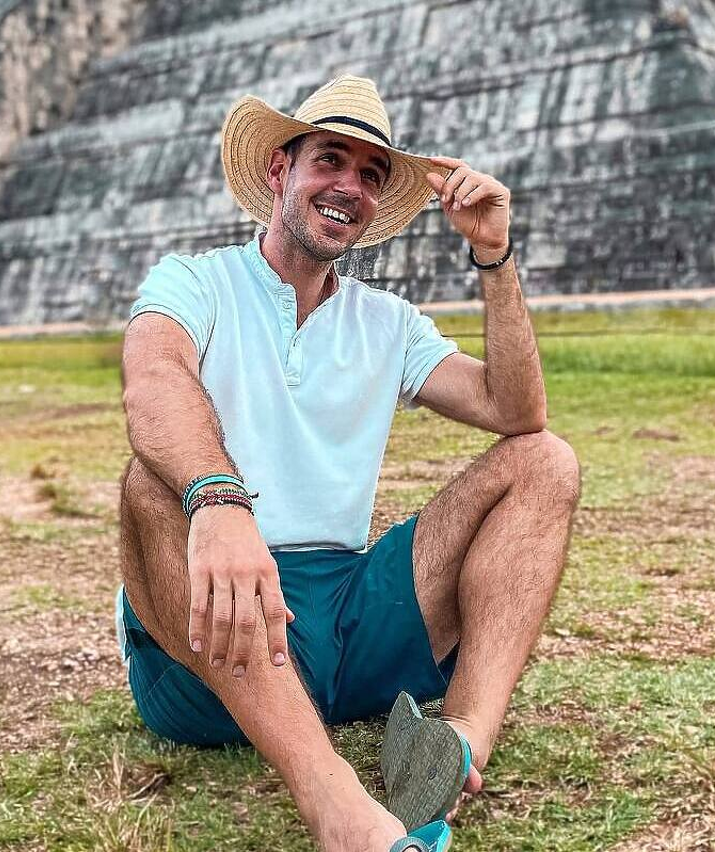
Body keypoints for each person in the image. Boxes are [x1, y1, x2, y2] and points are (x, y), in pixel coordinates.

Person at [115, 75, 581, 852]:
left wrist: (493, 256)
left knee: (545, 461)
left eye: (371, 174)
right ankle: (336, 804)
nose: (349, 187)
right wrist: (220, 503)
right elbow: (155, 382)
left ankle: (457, 741)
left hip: (345, 611)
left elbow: (516, 411)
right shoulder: (194, 282)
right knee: (149, 482)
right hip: (212, 637)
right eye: (330, 160)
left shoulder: (386, 322)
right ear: (280, 171)